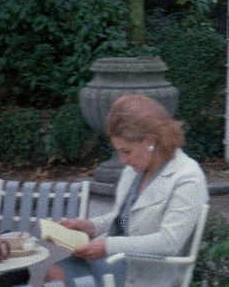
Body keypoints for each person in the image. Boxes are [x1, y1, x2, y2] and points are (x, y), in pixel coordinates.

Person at [46, 94, 209, 287]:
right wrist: (88, 226)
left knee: (59, 276)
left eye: (126, 151)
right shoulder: (134, 171)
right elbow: (124, 219)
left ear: (150, 141)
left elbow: (169, 242)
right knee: (55, 274)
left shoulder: (187, 177)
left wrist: (108, 246)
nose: (122, 160)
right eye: (119, 151)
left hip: (148, 273)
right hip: (117, 259)